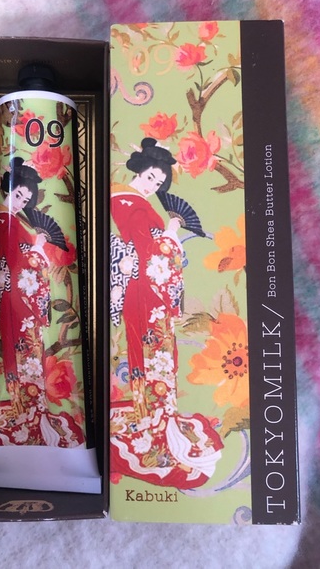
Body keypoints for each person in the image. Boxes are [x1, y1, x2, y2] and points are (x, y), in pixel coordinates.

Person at [110, 138, 223, 489]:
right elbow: (147, 250)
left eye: (159, 183)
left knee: (148, 352)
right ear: (139, 170)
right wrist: (171, 233)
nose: (153, 185)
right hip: (146, 287)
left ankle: (149, 415)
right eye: (151, 177)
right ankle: (155, 424)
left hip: (145, 287)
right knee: (155, 352)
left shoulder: (132, 200)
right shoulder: (129, 202)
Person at [0, 156, 84, 448]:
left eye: (26, 199)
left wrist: (35, 251)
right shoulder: (3, 219)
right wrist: (37, 248)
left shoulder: (13, 220)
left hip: (24, 298)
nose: (21, 202)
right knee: (23, 350)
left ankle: (30, 409)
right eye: (18, 195)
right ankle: (25, 411)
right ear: (7, 190)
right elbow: (17, 260)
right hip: (17, 297)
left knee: (30, 351)